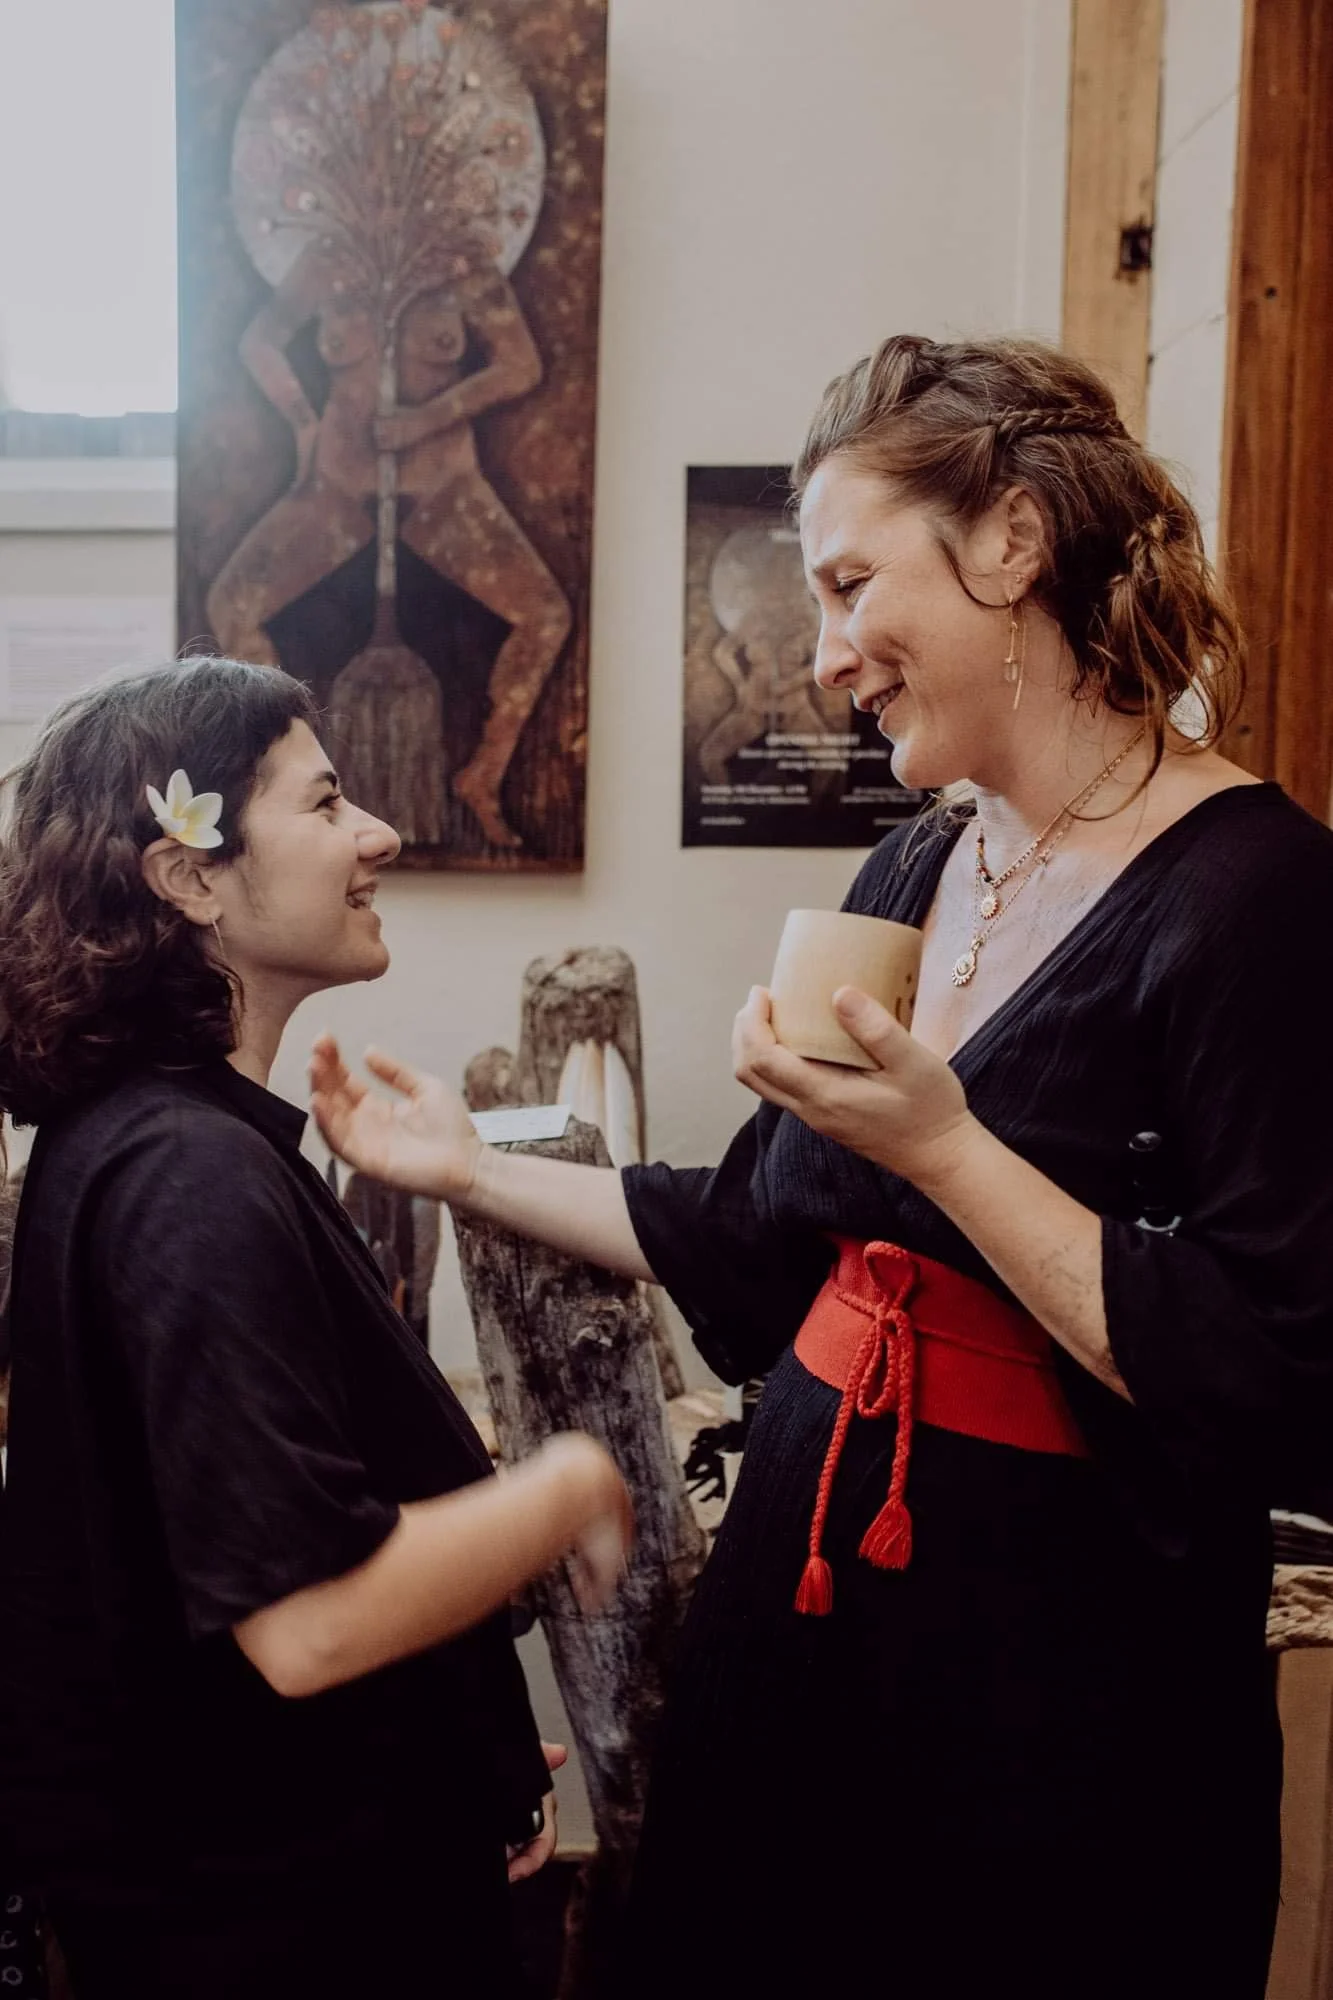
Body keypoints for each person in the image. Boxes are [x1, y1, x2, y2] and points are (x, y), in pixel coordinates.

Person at [310, 334, 1333, 2000]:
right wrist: (459, 1167)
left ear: (1010, 544)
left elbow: (1278, 1374)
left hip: (1066, 1697)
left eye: (854, 584)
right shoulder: (921, 858)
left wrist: (946, 1146)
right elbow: (753, 1229)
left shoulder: (1264, 896)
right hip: (812, 1609)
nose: (829, 654)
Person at [0, 659, 632, 1999]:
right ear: (189, 876)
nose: (378, 835)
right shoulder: (187, 1178)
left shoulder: (164, 1141)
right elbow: (306, 1623)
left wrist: (452, 1738)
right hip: (276, 1938)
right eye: (328, 802)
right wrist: (568, 1485)